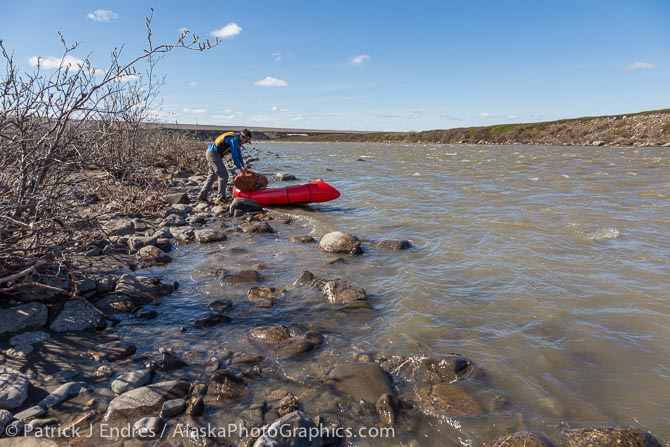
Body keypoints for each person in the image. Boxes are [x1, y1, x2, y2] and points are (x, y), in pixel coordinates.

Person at [198, 129, 252, 205]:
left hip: (214, 154)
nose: (245, 143)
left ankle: (202, 196)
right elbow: (234, 156)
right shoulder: (234, 140)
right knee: (223, 175)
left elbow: (239, 155)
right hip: (213, 154)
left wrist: (243, 166)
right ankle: (220, 199)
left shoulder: (237, 141)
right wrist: (240, 167)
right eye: (246, 141)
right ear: (241, 136)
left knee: (213, 175)